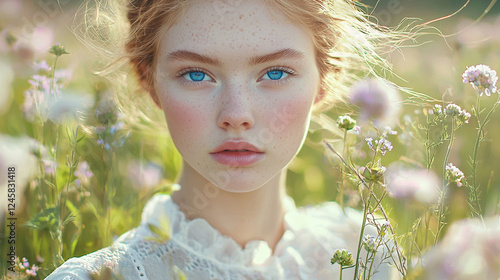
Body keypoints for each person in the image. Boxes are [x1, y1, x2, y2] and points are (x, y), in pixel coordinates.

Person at [47, 0, 402, 279]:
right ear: (149, 80)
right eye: (196, 73)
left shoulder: (369, 256)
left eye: (275, 72)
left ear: (323, 78)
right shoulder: (103, 277)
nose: (236, 114)